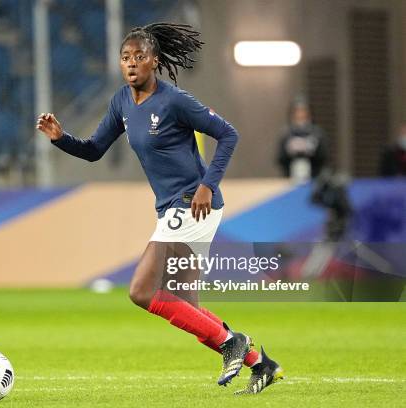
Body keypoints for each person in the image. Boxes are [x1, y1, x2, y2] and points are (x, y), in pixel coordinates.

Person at [36, 22, 282, 395]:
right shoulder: (121, 101)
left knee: (141, 290)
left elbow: (228, 133)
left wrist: (206, 184)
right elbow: (93, 150)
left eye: (139, 56)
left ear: (154, 61)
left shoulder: (175, 101)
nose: (131, 63)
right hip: (172, 208)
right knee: (185, 305)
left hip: (193, 205)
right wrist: (60, 138)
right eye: (125, 58)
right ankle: (261, 364)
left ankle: (234, 342)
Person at [276, 99, 328, 182]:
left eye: (303, 111)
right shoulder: (286, 134)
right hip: (290, 177)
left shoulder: (317, 133)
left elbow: (323, 156)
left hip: (313, 176)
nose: (300, 114)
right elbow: (280, 157)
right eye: (297, 112)